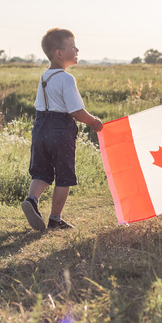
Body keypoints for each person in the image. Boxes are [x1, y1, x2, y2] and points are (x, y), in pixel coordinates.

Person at [22, 28, 103, 232]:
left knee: (41, 172)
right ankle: (55, 219)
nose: (77, 50)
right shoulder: (67, 79)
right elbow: (76, 111)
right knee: (64, 176)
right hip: (60, 129)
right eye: (73, 47)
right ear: (59, 53)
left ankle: (32, 200)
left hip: (40, 127)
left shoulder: (45, 77)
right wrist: (93, 122)